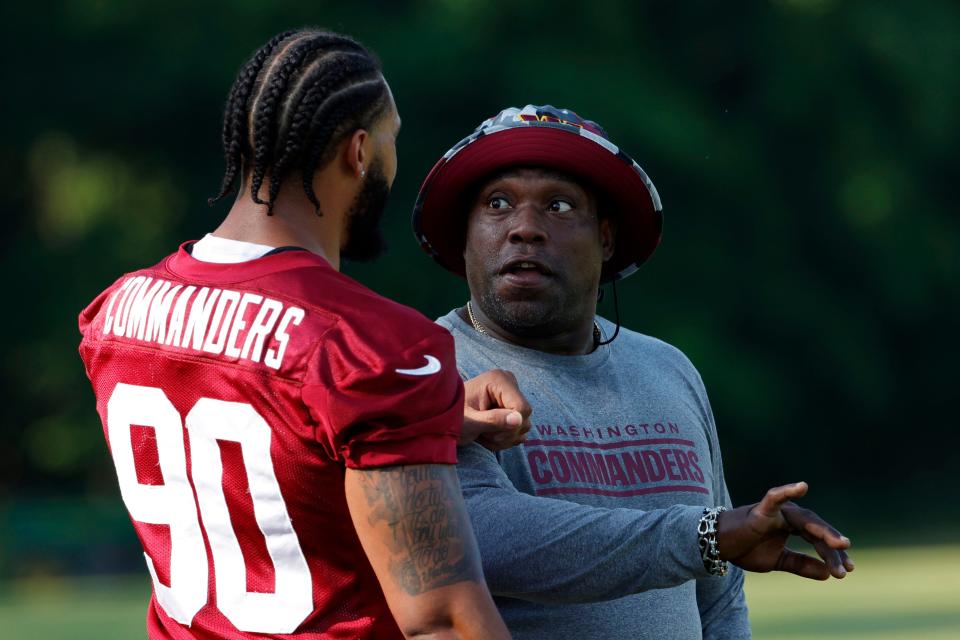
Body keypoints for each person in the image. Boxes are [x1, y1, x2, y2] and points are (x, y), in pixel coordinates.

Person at [77, 29, 528, 640]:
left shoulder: (116, 312)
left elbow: (265, 424)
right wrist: (397, 399)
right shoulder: (371, 346)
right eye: (392, 139)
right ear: (360, 152)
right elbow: (442, 621)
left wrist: (433, 413)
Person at [412, 105, 855, 639]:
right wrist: (709, 535)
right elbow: (489, 542)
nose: (524, 228)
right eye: (498, 204)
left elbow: (717, 597)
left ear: (606, 239)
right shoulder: (428, 370)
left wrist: (713, 541)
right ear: (465, 237)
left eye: (558, 205)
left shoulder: (668, 370)